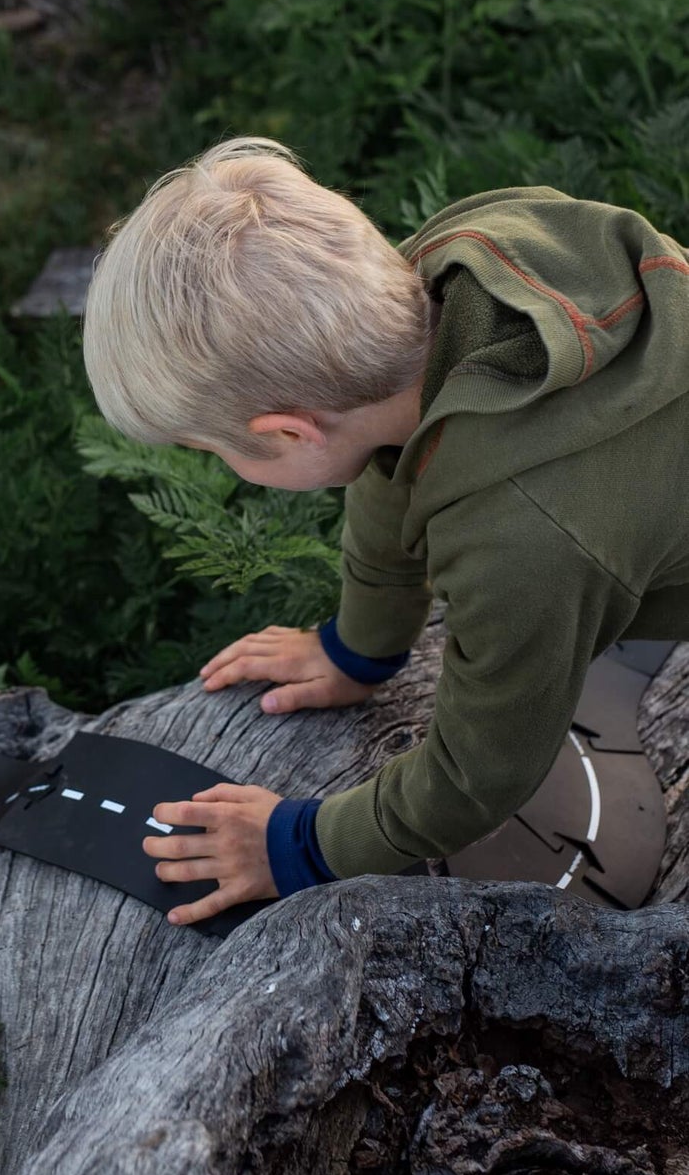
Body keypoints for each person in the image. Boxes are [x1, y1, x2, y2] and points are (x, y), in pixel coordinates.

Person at [80, 136, 689, 926]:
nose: (223, 463)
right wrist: (357, 646)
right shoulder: (471, 252)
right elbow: (392, 466)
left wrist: (299, 844)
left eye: (214, 448)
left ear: (291, 434)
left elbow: (480, 772)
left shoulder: (523, 540)